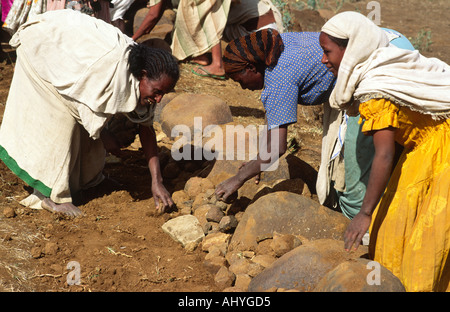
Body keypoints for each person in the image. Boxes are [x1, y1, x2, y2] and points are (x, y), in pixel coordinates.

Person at [215, 27, 413, 223]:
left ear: (251, 68)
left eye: (240, 80)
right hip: (391, 40)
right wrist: (257, 162)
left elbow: (277, 147)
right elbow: (275, 118)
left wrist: (239, 178)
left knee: (354, 177)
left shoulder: (278, 77)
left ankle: (367, 228)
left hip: (380, 64)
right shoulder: (277, 46)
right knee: (395, 145)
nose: (243, 87)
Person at [0, 9, 179, 217]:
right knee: (62, 120)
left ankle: (88, 181)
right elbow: (81, 103)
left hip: (72, 50)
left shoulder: (143, 79)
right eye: (157, 92)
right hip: (43, 45)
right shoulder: (108, 69)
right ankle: (49, 195)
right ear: (143, 75)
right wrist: (105, 135)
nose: (158, 99)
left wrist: (157, 182)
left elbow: (146, 130)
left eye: (163, 94)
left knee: (88, 127)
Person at [320, 11, 450, 292]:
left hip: (442, 150)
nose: (323, 59)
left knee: (428, 237)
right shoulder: (381, 68)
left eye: (327, 51)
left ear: (350, 48)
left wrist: (364, 213)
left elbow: (384, 154)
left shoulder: (377, 88)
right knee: (393, 228)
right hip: (423, 149)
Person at [133, 0, 283, 79]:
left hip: (261, 36)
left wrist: (132, 39)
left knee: (194, 9)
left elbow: (153, 15)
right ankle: (202, 54)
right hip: (266, 32)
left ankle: (216, 64)